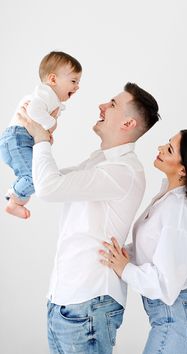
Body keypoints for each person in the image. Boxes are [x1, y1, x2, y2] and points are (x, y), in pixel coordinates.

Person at [17, 82, 160, 354]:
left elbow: (50, 188)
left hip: (88, 304)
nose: (102, 106)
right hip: (67, 300)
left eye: (113, 104)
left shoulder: (123, 171)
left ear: (128, 123)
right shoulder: (100, 161)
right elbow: (46, 180)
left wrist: (42, 139)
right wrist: (34, 135)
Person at [100, 129, 187, 354]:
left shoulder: (178, 211)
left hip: (177, 319)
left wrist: (125, 268)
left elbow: (165, 285)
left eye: (169, 149)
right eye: (167, 144)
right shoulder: (167, 201)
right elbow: (153, 251)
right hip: (175, 317)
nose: (160, 148)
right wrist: (124, 254)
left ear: (183, 169)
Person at [0, 51, 82, 219]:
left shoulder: (50, 99)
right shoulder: (45, 93)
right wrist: (50, 125)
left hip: (20, 139)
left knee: (39, 176)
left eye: (78, 82)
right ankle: (14, 201)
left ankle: (15, 200)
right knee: (37, 177)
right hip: (17, 138)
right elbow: (33, 111)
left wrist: (44, 136)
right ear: (53, 80)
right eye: (73, 81)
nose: (77, 86)